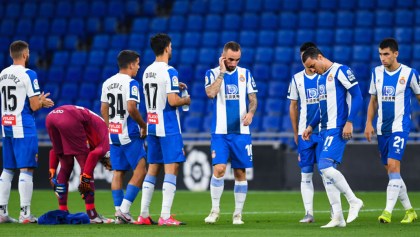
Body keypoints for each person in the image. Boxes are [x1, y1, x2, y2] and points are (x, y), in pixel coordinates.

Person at [301, 47, 364, 228]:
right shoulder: (320, 79)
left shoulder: (341, 71)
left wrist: (350, 121)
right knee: (326, 175)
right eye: (309, 68)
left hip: (338, 128)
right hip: (323, 130)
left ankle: (353, 201)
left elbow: (358, 96)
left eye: (313, 65)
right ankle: (338, 217)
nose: (312, 70)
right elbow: (322, 109)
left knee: (324, 166)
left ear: (320, 57)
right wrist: (311, 126)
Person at [364, 38, 420, 224]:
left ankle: (387, 212)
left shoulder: (410, 74)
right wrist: (368, 123)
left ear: (396, 54)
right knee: (392, 171)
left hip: (400, 127)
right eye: (380, 54)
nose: (382, 58)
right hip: (382, 128)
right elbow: (373, 100)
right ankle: (410, 211)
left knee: (394, 165)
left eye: (386, 54)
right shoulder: (376, 73)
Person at [137, 33, 190, 226]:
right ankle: (165, 216)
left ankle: (143, 215)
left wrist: (175, 88)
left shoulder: (147, 71)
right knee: (172, 166)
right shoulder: (170, 71)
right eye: (171, 46)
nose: (172, 49)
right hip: (167, 125)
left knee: (153, 168)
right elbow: (173, 100)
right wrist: (185, 99)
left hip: (152, 123)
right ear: (167, 47)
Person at [203, 41, 257, 225]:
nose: (234, 63)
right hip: (220, 132)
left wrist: (250, 112)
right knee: (219, 169)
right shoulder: (212, 73)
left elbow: (253, 99)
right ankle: (214, 210)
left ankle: (237, 215)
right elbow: (210, 93)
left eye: (237, 60)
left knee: (240, 173)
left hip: (241, 133)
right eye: (230, 59)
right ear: (223, 56)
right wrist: (222, 73)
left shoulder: (246, 74)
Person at [0, 40, 54, 224]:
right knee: (26, 168)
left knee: (7, 169)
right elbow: (33, 105)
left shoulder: (3, 74)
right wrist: (42, 101)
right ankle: (25, 214)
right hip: (23, 125)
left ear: (11, 55)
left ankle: (2, 212)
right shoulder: (29, 74)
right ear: (25, 54)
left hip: (6, 124)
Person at [288, 42, 340, 223]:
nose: (305, 62)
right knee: (306, 173)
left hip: (324, 131)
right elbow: (293, 106)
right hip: (306, 134)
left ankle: (335, 211)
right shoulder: (296, 79)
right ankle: (309, 213)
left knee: (327, 172)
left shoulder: (326, 77)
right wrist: (295, 132)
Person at [100, 50, 148, 224]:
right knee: (141, 169)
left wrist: (109, 128)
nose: (138, 67)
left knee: (118, 172)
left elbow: (103, 109)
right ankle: (125, 210)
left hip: (113, 133)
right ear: (130, 65)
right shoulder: (131, 83)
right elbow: (131, 108)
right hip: (129, 133)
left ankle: (118, 212)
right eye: (137, 63)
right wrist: (143, 125)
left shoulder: (107, 83)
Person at [46, 105, 113, 224]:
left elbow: (54, 151)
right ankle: (92, 215)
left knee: (66, 165)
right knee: (85, 166)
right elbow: (93, 156)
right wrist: (85, 180)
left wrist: (52, 170)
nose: (109, 168)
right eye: (111, 165)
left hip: (51, 117)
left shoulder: (97, 132)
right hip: (70, 118)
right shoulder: (108, 140)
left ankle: (62, 212)